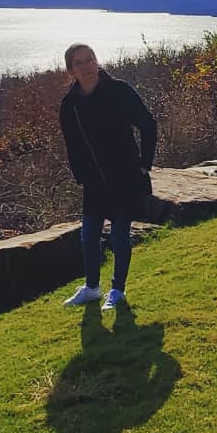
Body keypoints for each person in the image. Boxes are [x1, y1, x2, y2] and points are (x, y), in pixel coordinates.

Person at [58, 43, 157, 310]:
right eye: (79, 62)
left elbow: (148, 124)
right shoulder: (70, 105)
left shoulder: (119, 91)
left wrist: (145, 165)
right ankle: (91, 288)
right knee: (88, 235)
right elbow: (72, 145)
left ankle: (117, 291)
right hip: (93, 182)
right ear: (71, 70)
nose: (87, 65)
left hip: (124, 176)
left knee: (120, 234)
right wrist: (80, 175)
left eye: (90, 59)